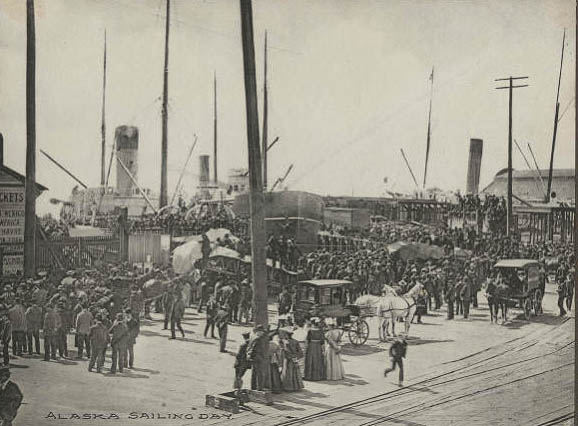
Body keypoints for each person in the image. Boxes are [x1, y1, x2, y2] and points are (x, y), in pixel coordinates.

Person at [247, 324, 269, 390]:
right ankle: (259, 388)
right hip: (258, 357)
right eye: (262, 332)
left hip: (254, 358)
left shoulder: (253, 337)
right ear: (259, 331)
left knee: (254, 373)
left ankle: (253, 387)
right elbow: (253, 348)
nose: (263, 333)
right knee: (260, 373)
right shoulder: (258, 338)